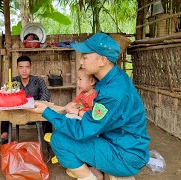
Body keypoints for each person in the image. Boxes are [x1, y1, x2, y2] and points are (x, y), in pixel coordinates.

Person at [29, 33, 150, 180]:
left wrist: (47, 111)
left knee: (59, 139)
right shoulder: (115, 78)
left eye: (85, 57)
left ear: (102, 60)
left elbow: (82, 131)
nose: (81, 61)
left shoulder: (112, 92)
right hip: (123, 144)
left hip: (124, 155)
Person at [0, 55, 51, 150]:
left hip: (34, 111)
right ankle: (4, 135)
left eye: (27, 67)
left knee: (47, 110)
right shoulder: (13, 81)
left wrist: (36, 105)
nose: (24, 70)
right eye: (21, 67)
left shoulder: (38, 80)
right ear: (17, 68)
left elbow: (46, 94)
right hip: (17, 113)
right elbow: (7, 95)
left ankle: (49, 138)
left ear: (30, 67)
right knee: (6, 107)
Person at [44, 67, 97, 164]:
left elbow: (93, 116)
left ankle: (59, 141)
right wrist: (68, 108)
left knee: (69, 120)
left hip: (85, 124)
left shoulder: (95, 96)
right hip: (78, 120)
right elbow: (72, 104)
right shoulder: (82, 94)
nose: (77, 82)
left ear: (92, 81)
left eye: (80, 79)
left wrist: (76, 112)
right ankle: (59, 148)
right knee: (66, 117)